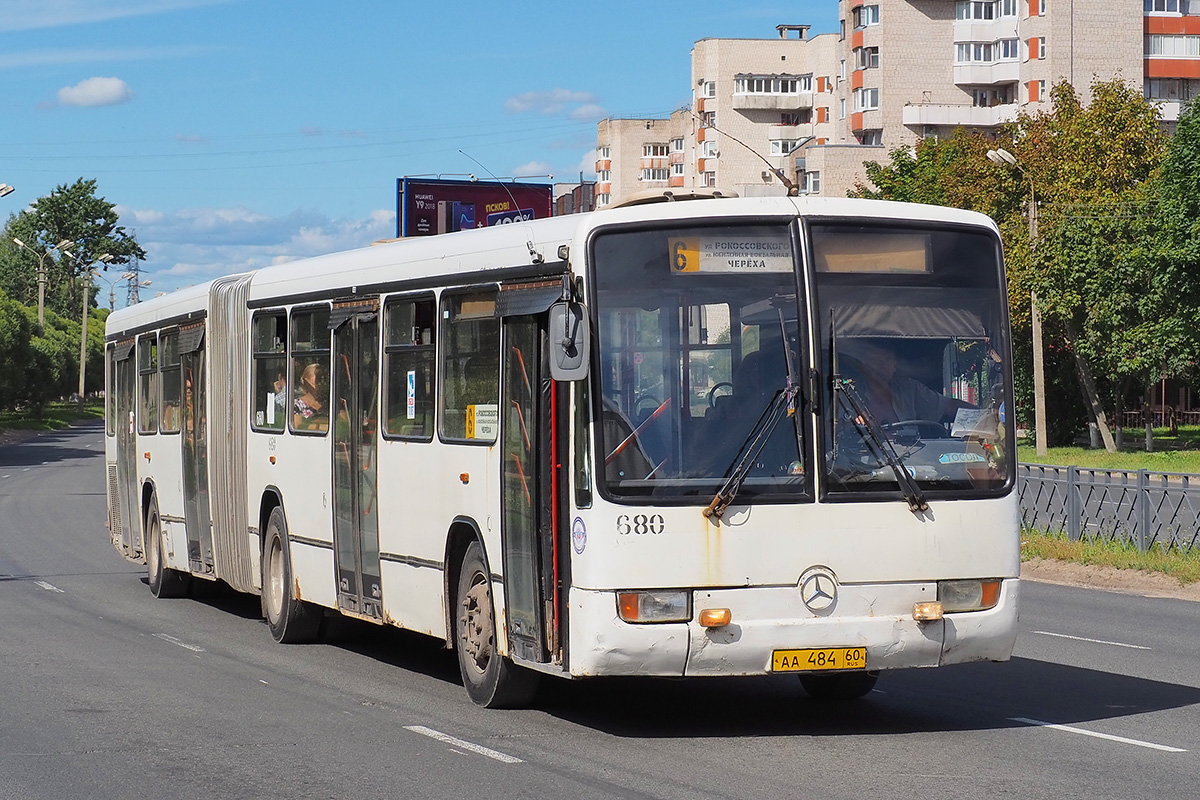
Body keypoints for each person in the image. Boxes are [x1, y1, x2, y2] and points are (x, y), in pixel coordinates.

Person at [840, 339, 971, 426]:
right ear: (864, 365)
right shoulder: (847, 394)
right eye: (876, 360)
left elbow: (948, 406)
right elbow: (833, 435)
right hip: (862, 464)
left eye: (888, 359)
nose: (882, 365)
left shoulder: (908, 389)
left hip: (912, 462)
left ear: (895, 365)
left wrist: (986, 415)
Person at [293, 362, 327, 430]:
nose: (320, 383)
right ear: (307, 382)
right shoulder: (297, 405)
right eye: (317, 379)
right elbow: (297, 428)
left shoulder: (328, 402)